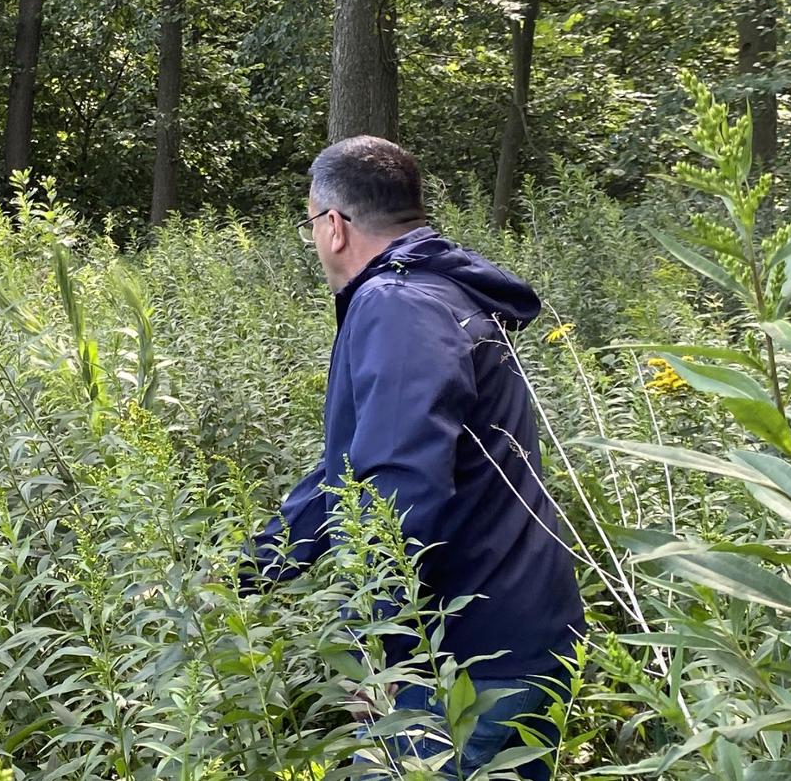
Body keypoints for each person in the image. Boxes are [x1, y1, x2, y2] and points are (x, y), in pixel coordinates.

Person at [245, 136, 585, 779]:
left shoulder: (397, 305)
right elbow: (354, 468)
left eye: (310, 224)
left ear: (334, 226)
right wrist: (250, 570)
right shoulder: (435, 293)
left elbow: (398, 481)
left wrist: (379, 647)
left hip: (466, 661)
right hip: (513, 627)